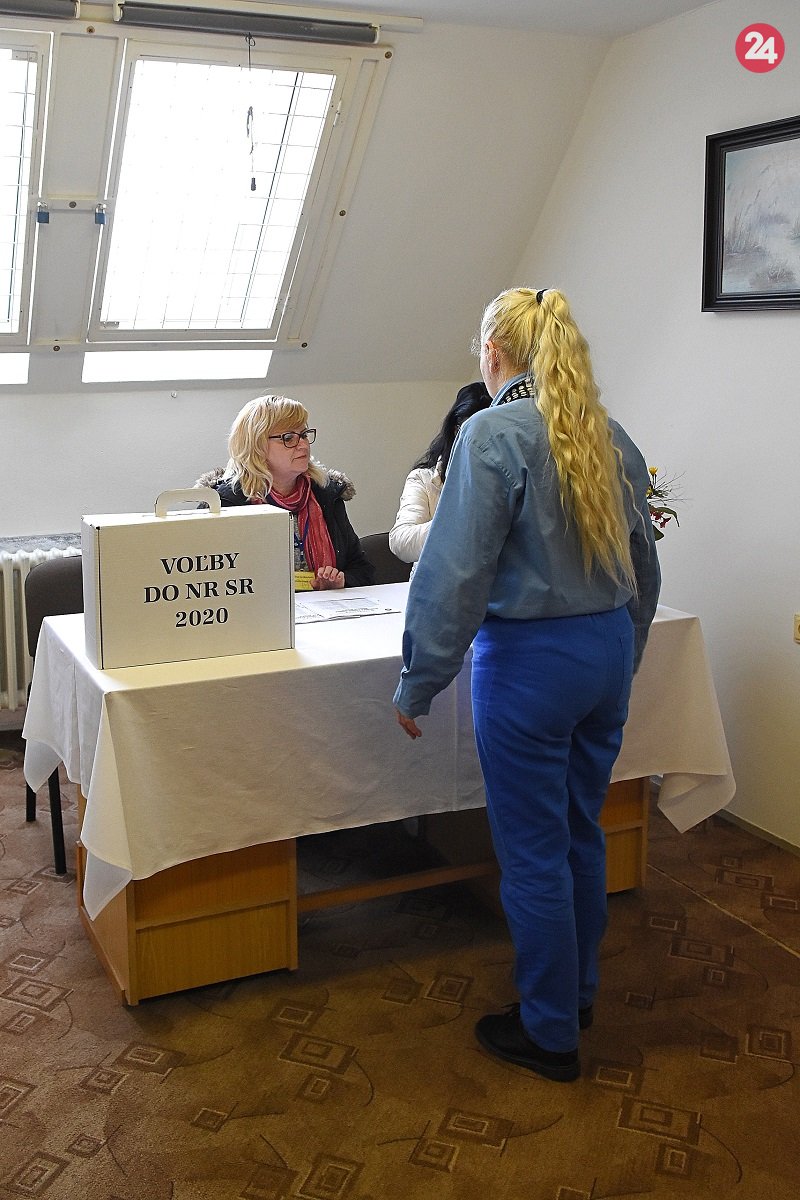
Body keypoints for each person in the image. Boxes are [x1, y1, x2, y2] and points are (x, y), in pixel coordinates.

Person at [392, 287, 660, 1082]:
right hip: (605, 648)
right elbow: (644, 566)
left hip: (531, 664)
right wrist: (628, 654)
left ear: (494, 352)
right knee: (580, 832)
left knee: (534, 851)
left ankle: (549, 1032)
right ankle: (576, 995)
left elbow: (454, 573)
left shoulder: (491, 433)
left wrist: (419, 679)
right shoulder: (608, 432)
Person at [198, 394, 374, 590]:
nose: (303, 445)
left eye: (304, 435)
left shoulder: (325, 493)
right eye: (288, 438)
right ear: (256, 445)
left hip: (324, 606)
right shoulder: (225, 504)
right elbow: (207, 582)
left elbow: (362, 569)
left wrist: (340, 581)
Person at [389, 381, 491, 571]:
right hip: (438, 582)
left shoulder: (508, 476)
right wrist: (456, 524)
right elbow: (401, 541)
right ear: (455, 430)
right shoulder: (424, 478)